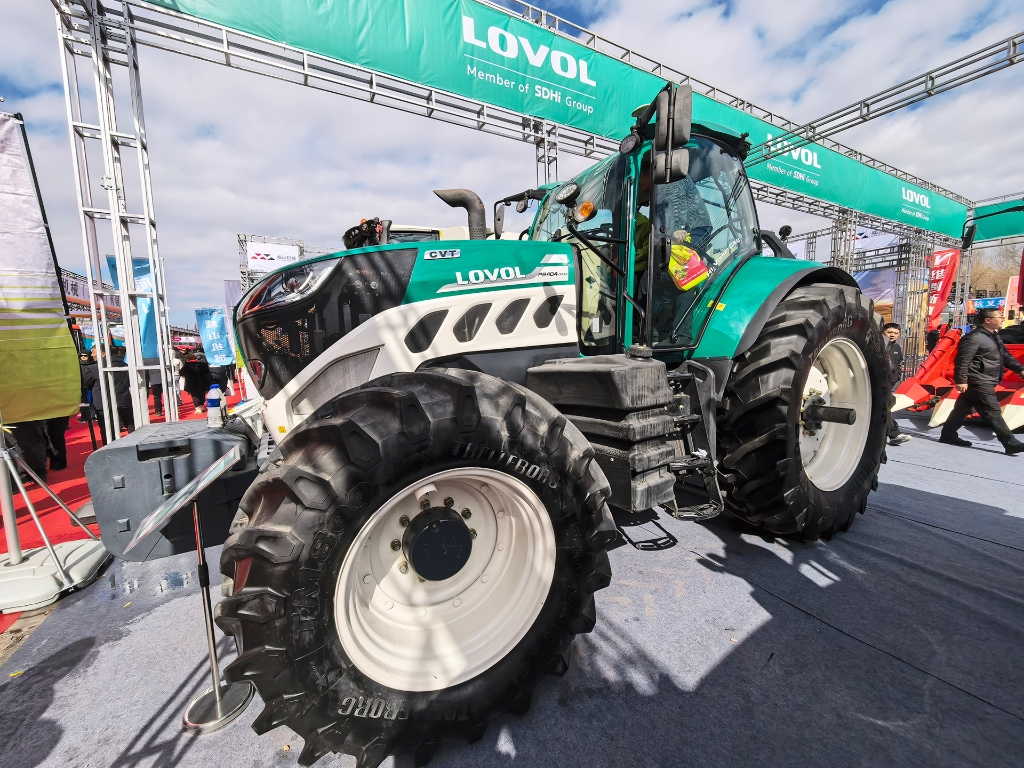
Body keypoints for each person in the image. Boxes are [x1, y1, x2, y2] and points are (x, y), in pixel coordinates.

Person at [939, 307, 1024, 455]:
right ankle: (1010, 443)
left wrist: (1019, 369)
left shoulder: (994, 336)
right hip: (978, 379)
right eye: (999, 317)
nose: (1002, 319)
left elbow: (1005, 356)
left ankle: (948, 435)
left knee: (962, 408)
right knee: (992, 411)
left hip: (985, 378)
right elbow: (962, 360)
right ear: (988, 320)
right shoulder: (974, 338)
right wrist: (961, 380)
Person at [883, 323, 911, 445]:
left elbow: (898, 364)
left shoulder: (897, 348)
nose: (892, 335)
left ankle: (893, 434)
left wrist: (896, 377)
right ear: (883, 332)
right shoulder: (877, 346)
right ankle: (894, 434)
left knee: (885, 406)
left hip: (889, 383)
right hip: (878, 382)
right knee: (885, 406)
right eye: (889, 332)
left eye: (895, 333)